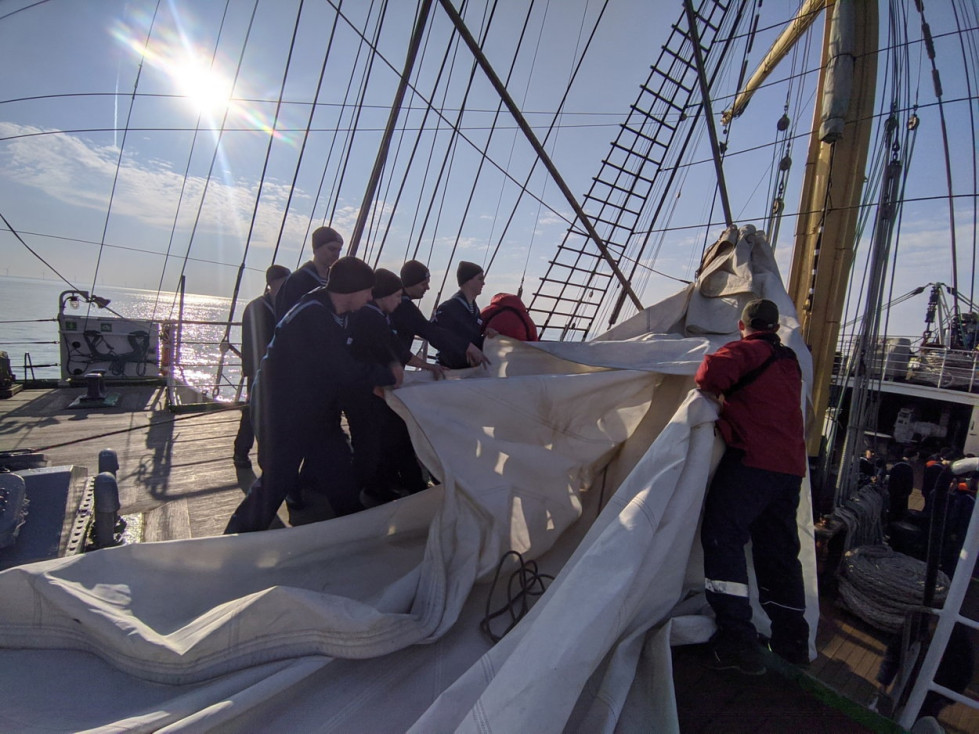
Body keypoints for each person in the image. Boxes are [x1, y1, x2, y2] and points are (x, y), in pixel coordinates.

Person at [224, 257, 402, 534]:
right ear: (353, 289)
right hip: (281, 409)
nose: (370, 297)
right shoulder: (311, 314)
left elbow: (373, 337)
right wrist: (387, 376)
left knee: (338, 470)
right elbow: (340, 367)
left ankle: (355, 529)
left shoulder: (342, 311)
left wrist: (390, 361)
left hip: (316, 409)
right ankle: (235, 539)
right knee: (278, 480)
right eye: (368, 291)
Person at [695, 298, 809, 675]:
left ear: (742, 326)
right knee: (778, 552)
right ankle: (792, 642)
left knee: (721, 536)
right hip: (789, 470)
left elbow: (708, 375)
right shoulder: (789, 361)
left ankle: (737, 639)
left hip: (754, 462)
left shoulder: (747, 351)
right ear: (775, 328)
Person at [348, 269, 442, 505]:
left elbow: (398, 351)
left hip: (379, 390)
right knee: (373, 444)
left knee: (391, 437)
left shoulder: (380, 316)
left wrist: (428, 367)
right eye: (398, 296)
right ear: (385, 295)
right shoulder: (369, 317)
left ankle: (390, 485)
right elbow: (362, 355)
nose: (400, 302)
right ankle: (365, 493)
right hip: (368, 393)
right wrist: (376, 383)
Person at [232, 264, 290, 469]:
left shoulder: (284, 306)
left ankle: (270, 457)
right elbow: (250, 342)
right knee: (252, 413)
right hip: (259, 371)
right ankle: (241, 451)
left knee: (273, 415)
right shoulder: (256, 308)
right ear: (272, 283)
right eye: (284, 282)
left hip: (279, 371)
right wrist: (252, 370)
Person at [391, 259, 488, 368]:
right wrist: (466, 347)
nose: (428, 288)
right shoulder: (404, 307)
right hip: (451, 370)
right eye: (423, 284)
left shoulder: (475, 310)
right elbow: (430, 331)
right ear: (411, 283)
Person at [432, 261, 495, 369]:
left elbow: (472, 339)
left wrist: (487, 338)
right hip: (448, 371)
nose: (483, 283)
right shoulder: (448, 308)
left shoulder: (475, 311)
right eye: (480, 279)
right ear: (468, 281)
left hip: (467, 372)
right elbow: (436, 336)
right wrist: (465, 346)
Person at [274, 226, 344, 319]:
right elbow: (285, 315)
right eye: (331, 249)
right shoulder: (297, 280)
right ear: (316, 249)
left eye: (339, 250)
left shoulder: (337, 282)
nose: (336, 254)